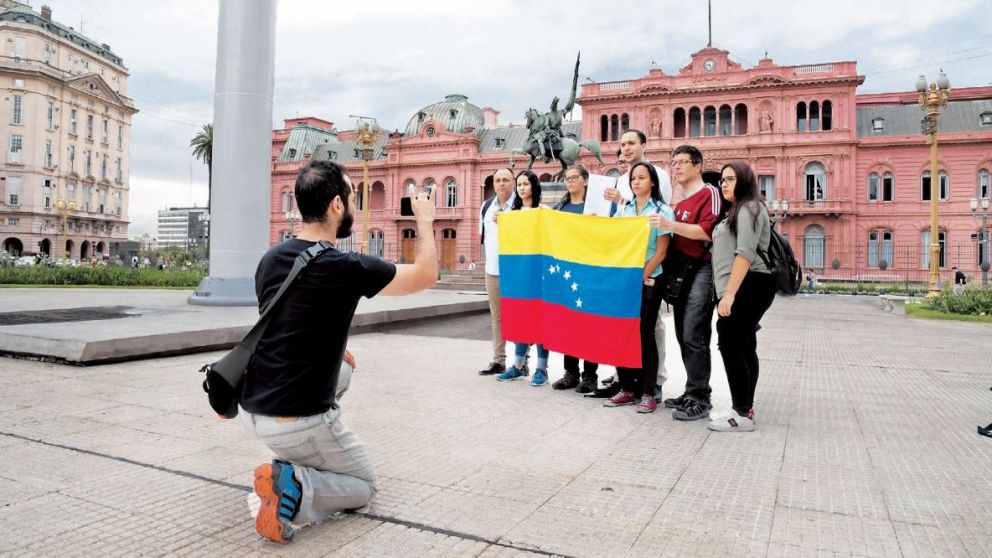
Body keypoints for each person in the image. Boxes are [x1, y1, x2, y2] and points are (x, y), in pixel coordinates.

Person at [237, 160, 438, 544]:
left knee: (344, 369)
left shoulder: (271, 259)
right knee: (363, 486)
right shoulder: (345, 267)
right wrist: (424, 220)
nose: (355, 205)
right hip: (295, 418)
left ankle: (294, 460)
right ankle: (293, 487)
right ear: (335, 206)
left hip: (253, 406)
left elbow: (290, 319)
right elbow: (426, 274)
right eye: (352, 197)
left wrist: (337, 347)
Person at [597, 129, 674, 400]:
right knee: (625, 327)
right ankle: (626, 381)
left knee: (650, 330)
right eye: (622, 144)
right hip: (627, 274)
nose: (626, 148)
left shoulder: (661, 182)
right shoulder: (622, 192)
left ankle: (653, 384)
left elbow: (661, 236)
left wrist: (644, 272)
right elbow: (618, 229)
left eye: (631, 143)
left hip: (649, 272)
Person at [650, 145, 722, 421]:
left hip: (703, 268)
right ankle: (692, 391)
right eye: (674, 162)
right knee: (683, 333)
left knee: (695, 332)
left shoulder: (709, 194)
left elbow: (707, 232)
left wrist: (670, 225)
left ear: (698, 165)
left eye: (682, 162)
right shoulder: (681, 200)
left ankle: (700, 397)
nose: (676, 167)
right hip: (682, 271)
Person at [710, 162, 776, 432]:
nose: (723, 184)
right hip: (747, 284)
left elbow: (745, 253)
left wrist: (729, 295)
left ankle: (741, 413)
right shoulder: (738, 209)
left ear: (745, 181)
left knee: (730, 343)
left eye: (730, 179)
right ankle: (745, 407)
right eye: (722, 180)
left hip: (750, 283)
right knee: (745, 345)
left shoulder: (749, 208)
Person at [551, 164, 600, 394]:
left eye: (574, 177)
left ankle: (590, 376)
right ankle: (571, 372)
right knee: (568, 322)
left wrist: (598, 222)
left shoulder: (596, 208)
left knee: (590, 325)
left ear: (586, 181)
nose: (569, 181)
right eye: (567, 178)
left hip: (589, 272)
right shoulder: (560, 208)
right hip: (566, 273)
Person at [499, 170, 550, 385]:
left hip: (539, 271)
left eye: (525, 184)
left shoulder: (543, 211)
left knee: (540, 319)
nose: (521, 188)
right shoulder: (512, 213)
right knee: (521, 316)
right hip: (520, 272)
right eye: (518, 184)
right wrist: (499, 222)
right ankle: (518, 365)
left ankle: (542, 368)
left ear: (533, 187)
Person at [478, 168, 516, 376]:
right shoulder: (485, 207)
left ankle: (521, 361)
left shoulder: (520, 206)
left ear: (513, 182)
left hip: (516, 270)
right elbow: (484, 239)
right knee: (497, 317)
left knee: (520, 313)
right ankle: (498, 360)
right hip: (492, 269)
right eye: (498, 180)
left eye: (506, 180)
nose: (501, 184)